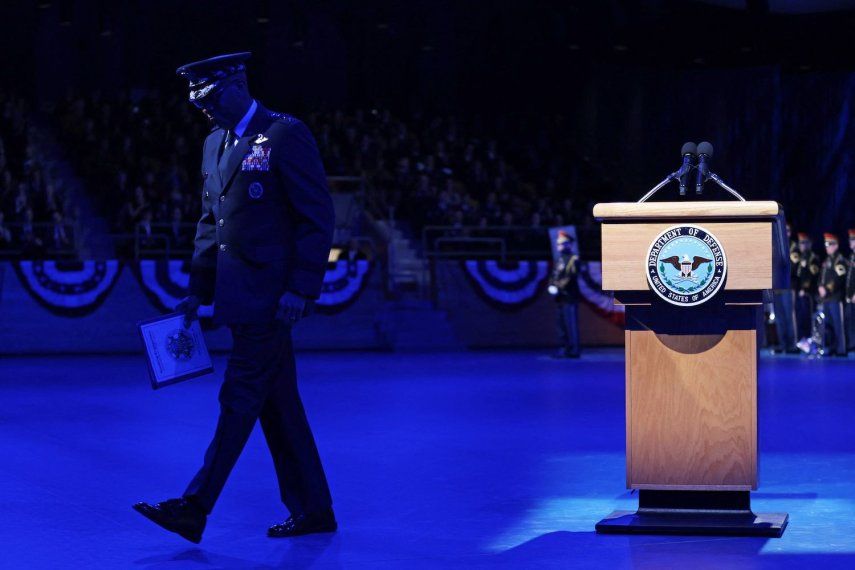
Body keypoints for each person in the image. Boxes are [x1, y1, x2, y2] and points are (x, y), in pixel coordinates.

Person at [133, 52, 336, 543]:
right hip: (239, 299)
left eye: (207, 96)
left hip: (272, 301)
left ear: (236, 84)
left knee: (239, 398)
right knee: (278, 407)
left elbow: (317, 217)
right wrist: (196, 291)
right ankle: (314, 510)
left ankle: (194, 507)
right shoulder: (213, 145)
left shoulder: (286, 134)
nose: (200, 108)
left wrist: (300, 288)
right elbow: (212, 226)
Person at [549, 230, 581, 358]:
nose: (559, 246)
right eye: (558, 244)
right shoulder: (559, 259)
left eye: (562, 244)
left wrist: (558, 286)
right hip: (560, 297)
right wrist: (551, 285)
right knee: (561, 324)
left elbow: (571, 276)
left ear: (569, 244)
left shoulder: (574, 259)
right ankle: (563, 348)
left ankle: (574, 349)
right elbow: (554, 275)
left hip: (569, 296)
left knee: (571, 324)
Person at [818, 232, 848, 357]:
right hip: (826, 299)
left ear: (836, 245)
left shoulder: (840, 260)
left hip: (835, 297)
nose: (827, 247)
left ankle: (841, 349)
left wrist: (826, 289)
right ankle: (831, 348)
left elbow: (838, 279)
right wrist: (820, 286)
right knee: (828, 325)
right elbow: (822, 277)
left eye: (829, 244)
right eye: (825, 244)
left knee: (838, 325)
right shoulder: (827, 261)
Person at [773, 223, 798, 353]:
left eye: (787, 230)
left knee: (789, 317)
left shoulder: (793, 247)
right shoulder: (775, 246)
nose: (785, 232)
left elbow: (791, 267)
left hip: (788, 287)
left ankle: (792, 345)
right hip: (776, 287)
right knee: (779, 318)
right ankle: (782, 344)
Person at [794, 232, 820, 342]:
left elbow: (811, 276)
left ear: (810, 244)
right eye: (800, 243)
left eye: (804, 243)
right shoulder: (801, 258)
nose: (802, 245)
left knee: (808, 317)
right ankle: (803, 340)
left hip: (808, 293)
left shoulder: (813, 258)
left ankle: (810, 340)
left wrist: (804, 289)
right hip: (800, 293)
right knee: (800, 317)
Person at [846, 229, 855, 354]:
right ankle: (852, 344)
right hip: (850, 296)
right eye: (850, 239)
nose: (850, 242)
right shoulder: (851, 256)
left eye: (853, 240)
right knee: (850, 321)